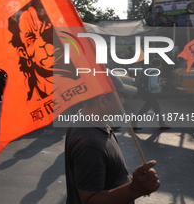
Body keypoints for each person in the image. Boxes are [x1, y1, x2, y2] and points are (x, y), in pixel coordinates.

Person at [65, 75, 160, 204]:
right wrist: (134, 189)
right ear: (103, 100)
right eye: (120, 97)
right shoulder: (90, 143)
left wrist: (133, 181)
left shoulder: (85, 120)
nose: (124, 102)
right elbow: (89, 200)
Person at [133, 58, 171, 130]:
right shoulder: (154, 73)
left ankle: (162, 123)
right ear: (157, 65)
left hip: (152, 94)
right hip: (152, 94)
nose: (161, 66)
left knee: (157, 109)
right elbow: (153, 85)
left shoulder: (150, 71)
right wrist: (161, 84)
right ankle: (133, 122)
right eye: (160, 65)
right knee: (144, 109)